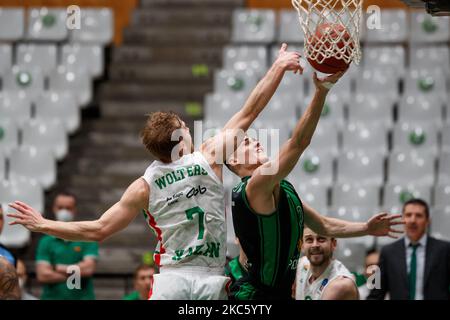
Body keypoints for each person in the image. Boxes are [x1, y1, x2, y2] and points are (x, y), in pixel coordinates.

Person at [7, 43, 303, 300]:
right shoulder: (209, 156)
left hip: (170, 280)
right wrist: (277, 67)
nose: (189, 128)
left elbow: (97, 230)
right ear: (181, 139)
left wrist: (43, 224)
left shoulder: (143, 186)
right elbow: (250, 110)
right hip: (210, 278)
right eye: (185, 126)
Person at [225, 70, 405, 300]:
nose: (257, 141)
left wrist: (366, 228)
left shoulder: (283, 187)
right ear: (233, 160)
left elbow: (323, 225)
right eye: (247, 143)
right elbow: (298, 143)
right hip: (256, 297)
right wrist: (321, 91)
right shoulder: (253, 186)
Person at [368, 198, 450, 300]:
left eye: (419, 215)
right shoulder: (387, 252)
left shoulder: (445, 250)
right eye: (408, 215)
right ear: (403, 219)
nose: (412, 220)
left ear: (428, 221)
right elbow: (375, 293)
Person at [35, 192, 99, 300]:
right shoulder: (45, 241)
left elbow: (88, 269)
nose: (64, 211)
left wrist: (56, 267)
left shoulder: (87, 238)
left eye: (68, 208)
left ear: (74, 210)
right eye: (60, 207)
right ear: (54, 209)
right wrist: (76, 273)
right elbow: (42, 275)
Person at [294, 227, 358, 300]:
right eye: (309, 239)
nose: (315, 245)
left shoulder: (341, 284)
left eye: (321, 239)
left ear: (333, 244)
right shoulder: (300, 265)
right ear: (302, 245)